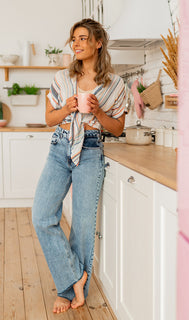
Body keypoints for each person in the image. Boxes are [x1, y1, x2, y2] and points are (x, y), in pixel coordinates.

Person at [32, 18, 126, 314]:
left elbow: (118, 128)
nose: (76, 44)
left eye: (83, 38)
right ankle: (76, 276)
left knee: (83, 227)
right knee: (42, 216)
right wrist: (67, 108)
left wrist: (97, 111)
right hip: (60, 148)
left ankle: (69, 291)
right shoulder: (61, 78)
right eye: (74, 39)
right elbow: (49, 119)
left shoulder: (116, 84)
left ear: (98, 42)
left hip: (91, 150)